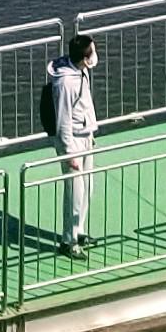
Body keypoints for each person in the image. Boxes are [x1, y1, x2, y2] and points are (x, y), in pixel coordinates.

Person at [42, 31, 100, 250]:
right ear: (84, 59)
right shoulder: (65, 83)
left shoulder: (80, 71)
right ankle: (69, 240)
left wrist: (90, 132)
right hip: (72, 140)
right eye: (92, 52)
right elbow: (63, 119)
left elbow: (83, 105)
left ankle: (80, 230)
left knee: (87, 187)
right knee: (74, 191)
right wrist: (69, 154)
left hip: (85, 134)